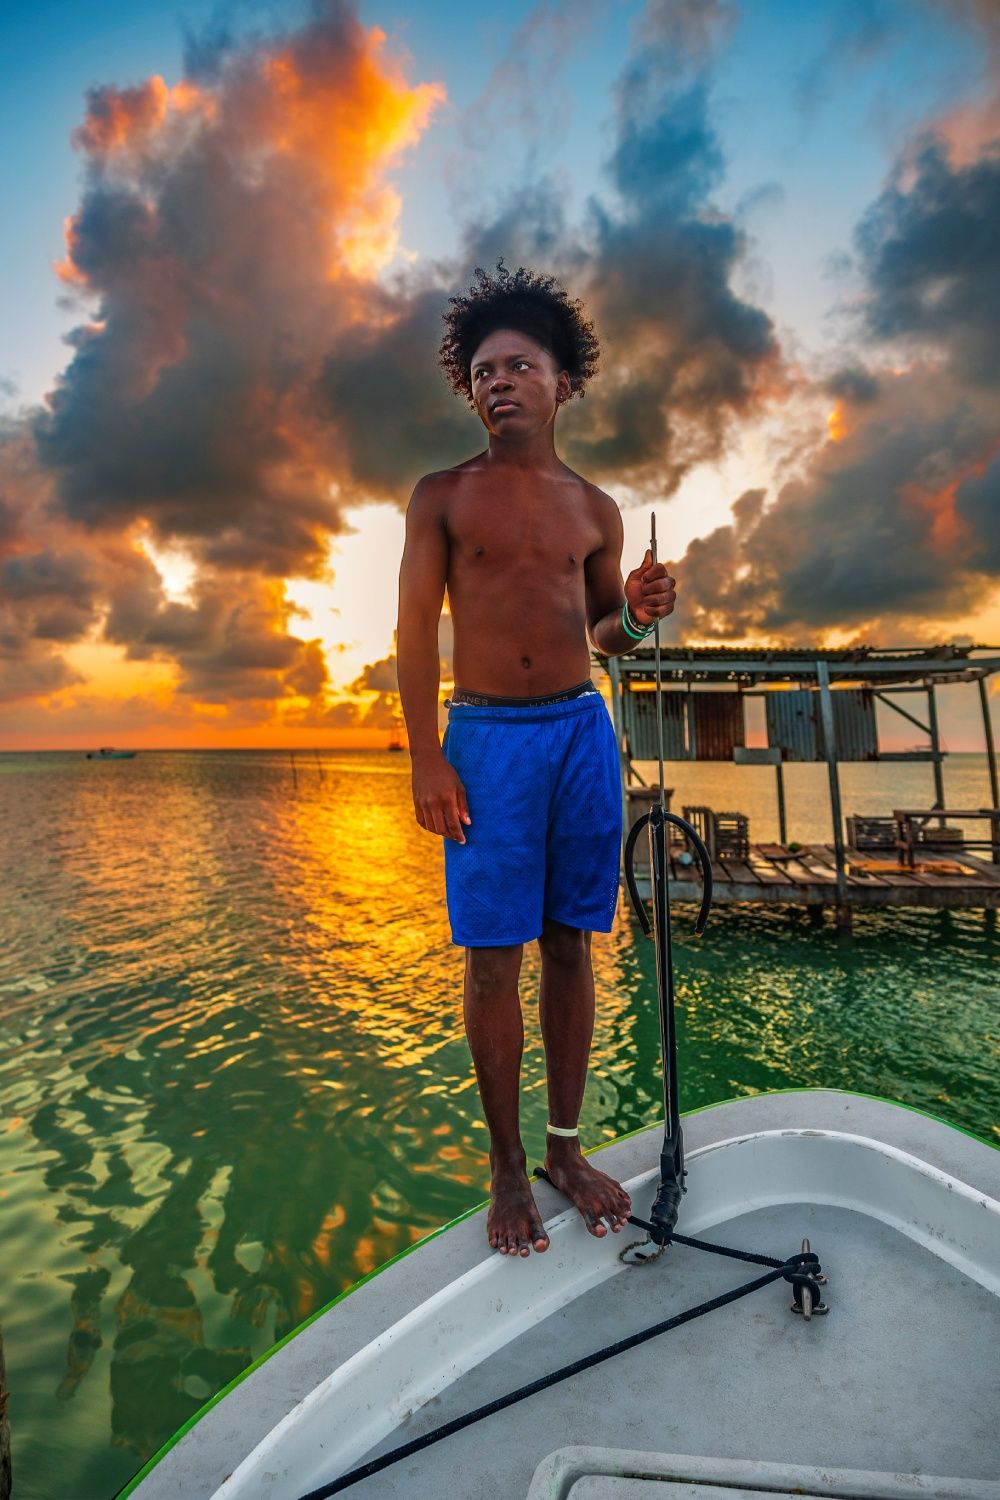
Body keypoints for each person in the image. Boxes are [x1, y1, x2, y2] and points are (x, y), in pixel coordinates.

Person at [396, 262, 676, 1258]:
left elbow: (604, 635)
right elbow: (412, 633)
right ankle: (507, 1165)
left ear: (563, 382)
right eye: (482, 372)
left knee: (570, 945)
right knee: (491, 958)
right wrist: (427, 759)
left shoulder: (594, 509)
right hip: (485, 739)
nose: (499, 382)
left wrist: (636, 617)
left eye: (518, 366)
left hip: (578, 733)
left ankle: (564, 1146)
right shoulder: (441, 496)